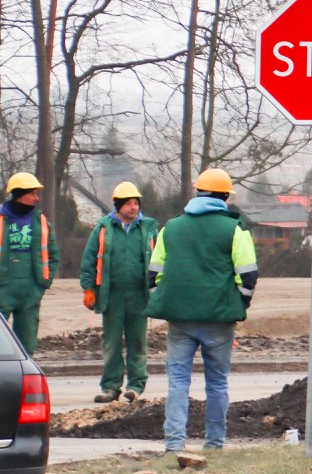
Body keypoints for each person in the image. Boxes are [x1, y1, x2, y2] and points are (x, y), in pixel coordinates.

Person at [147, 167, 258, 454]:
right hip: (219, 320)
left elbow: (153, 273)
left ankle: (173, 446)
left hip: (179, 320)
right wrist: (238, 303)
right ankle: (214, 445)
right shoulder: (234, 229)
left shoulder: (170, 228)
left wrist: (165, 301)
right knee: (218, 384)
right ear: (224, 197)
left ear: (197, 193)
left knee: (178, 384)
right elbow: (248, 275)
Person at [80, 181, 158, 402]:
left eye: (136, 203)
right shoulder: (103, 228)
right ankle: (111, 387)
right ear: (118, 205)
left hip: (139, 295)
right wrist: (88, 288)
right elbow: (89, 260)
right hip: (111, 295)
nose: (133, 207)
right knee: (112, 343)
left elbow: (161, 260)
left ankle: (136, 386)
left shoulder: (148, 228)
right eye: (129, 203)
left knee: (137, 342)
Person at [0, 172, 57, 355]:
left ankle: (22, 380)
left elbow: (53, 254)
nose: (36, 198)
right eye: (32, 193)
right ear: (18, 194)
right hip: (3, 288)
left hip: (31, 290)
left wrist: (43, 284)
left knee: (26, 344)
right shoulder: (1, 219)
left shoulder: (40, 221)